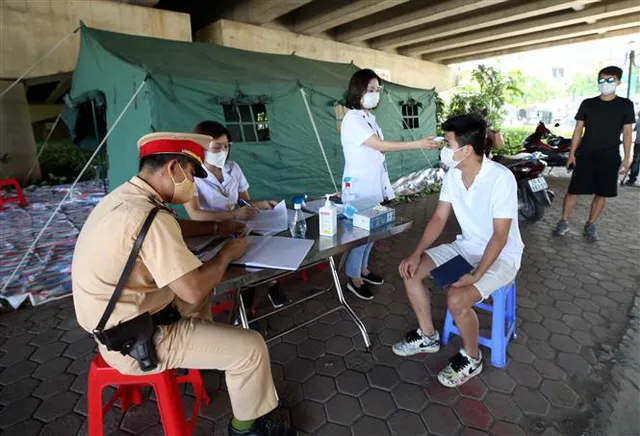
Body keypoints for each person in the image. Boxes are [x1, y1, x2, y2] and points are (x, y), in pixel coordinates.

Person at [72, 132, 295, 436]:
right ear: (174, 168)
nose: (192, 183)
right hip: (136, 340)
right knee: (251, 347)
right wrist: (228, 252)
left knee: (198, 293)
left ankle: (209, 351)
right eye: (191, 174)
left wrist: (217, 226)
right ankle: (245, 428)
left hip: (116, 324)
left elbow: (174, 225)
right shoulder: (150, 219)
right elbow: (193, 287)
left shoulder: (126, 198)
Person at [393, 115, 524, 388]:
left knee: (457, 298)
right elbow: (439, 218)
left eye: (448, 142)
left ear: (466, 149)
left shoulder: (501, 179)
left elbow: (500, 236)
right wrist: (417, 252)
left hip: (502, 255)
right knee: (411, 271)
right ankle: (428, 336)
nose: (443, 147)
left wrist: (476, 275)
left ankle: (472, 357)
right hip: (467, 246)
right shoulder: (453, 175)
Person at [340, 68, 439, 300]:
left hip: (373, 187)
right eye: (370, 89)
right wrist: (417, 144)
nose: (375, 94)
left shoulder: (369, 119)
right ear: (357, 91)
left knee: (373, 232)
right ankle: (353, 279)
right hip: (359, 189)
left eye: (377, 90)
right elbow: (380, 146)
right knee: (360, 235)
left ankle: (363, 270)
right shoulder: (352, 120)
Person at [185, 121, 288, 310]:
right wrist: (233, 214)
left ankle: (262, 292)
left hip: (238, 226)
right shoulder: (191, 175)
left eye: (226, 146)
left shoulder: (232, 168)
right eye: (217, 147)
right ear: (202, 148)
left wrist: (259, 205)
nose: (223, 151)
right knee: (245, 264)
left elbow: (243, 201)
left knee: (265, 248)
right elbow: (195, 215)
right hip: (211, 232)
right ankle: (248, 310)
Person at [552, 66, 635, 241]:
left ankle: (590, 224)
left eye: (610, 80)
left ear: (618, 82)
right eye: (602, 80)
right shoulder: (588, 104)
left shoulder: (625, 105)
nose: (605, 84)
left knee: (602, 193)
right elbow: (578, 131)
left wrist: (627, 158)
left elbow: (627, 133)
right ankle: (564, 221)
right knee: (573, 191)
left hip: (610, 156)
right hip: (585, 155)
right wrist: (572, 154)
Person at [625, 110, 640, 186]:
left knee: (636, 161)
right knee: (636, 161)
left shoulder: (639, 119)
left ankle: (632, 179)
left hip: (638, 143)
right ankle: (632, 178)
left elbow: (634, 129)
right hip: (638, 142)